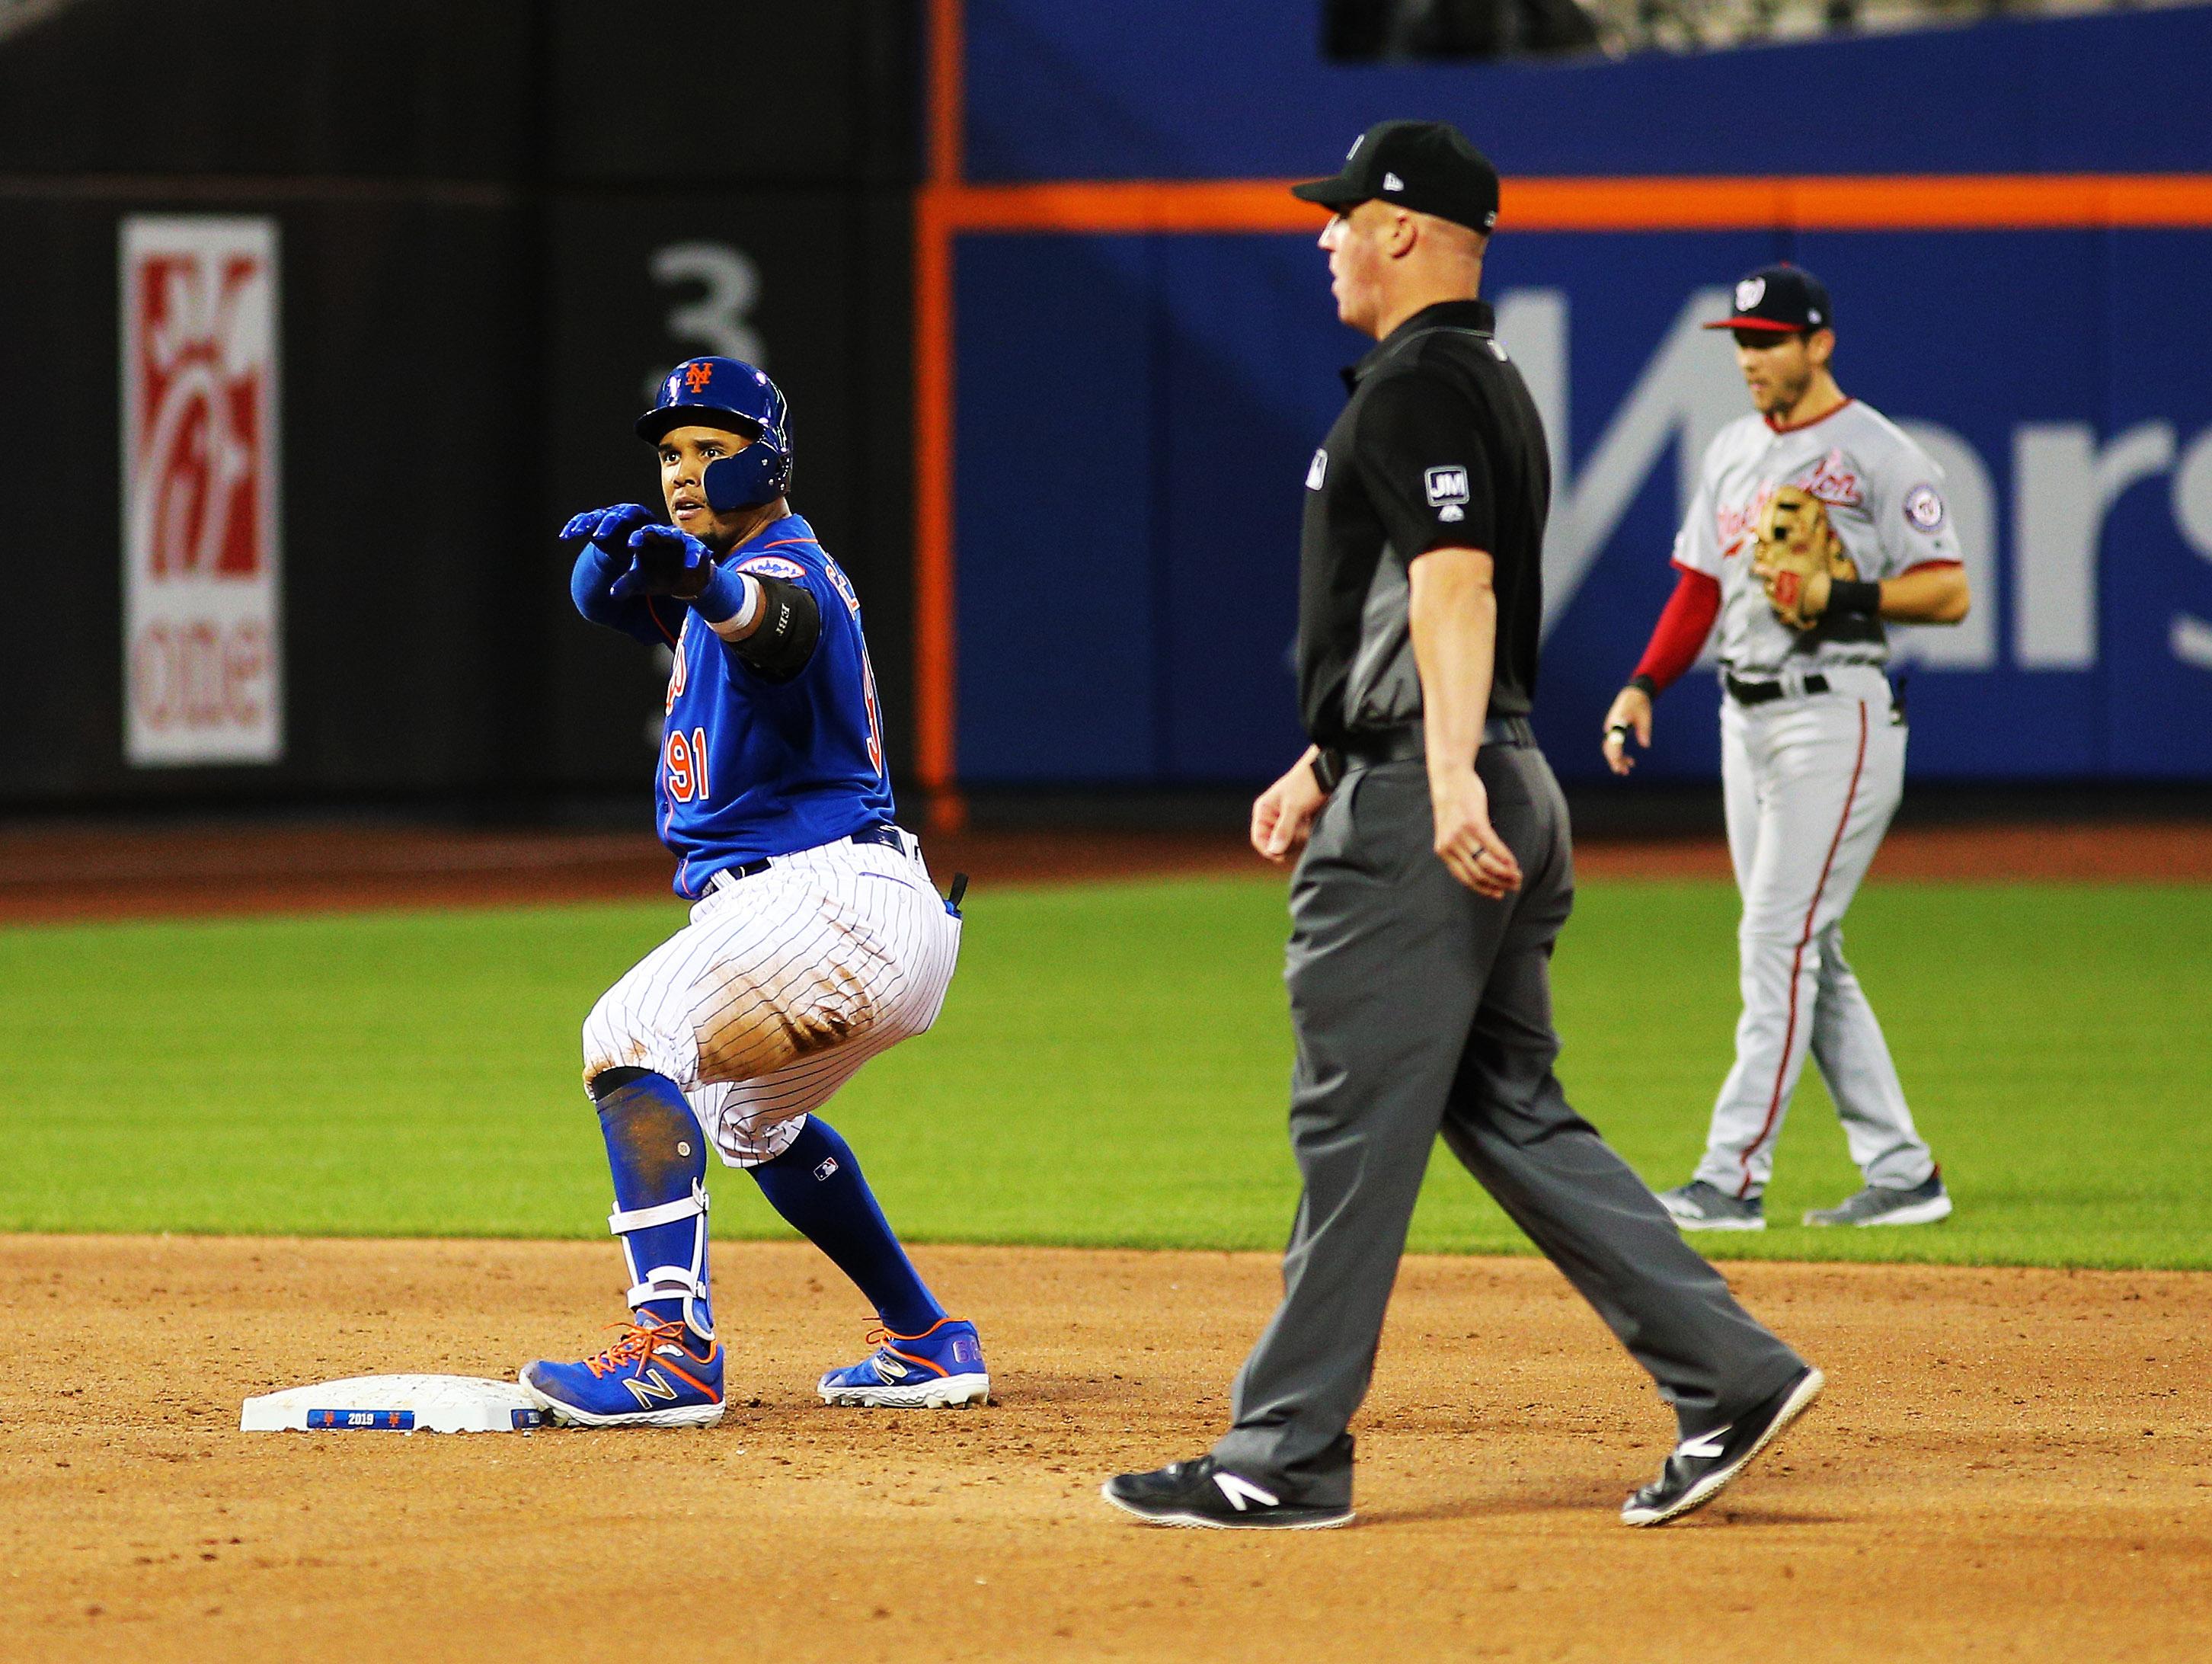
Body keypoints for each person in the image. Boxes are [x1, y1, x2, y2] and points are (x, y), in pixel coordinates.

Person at [1100, 121, 1819, 1531]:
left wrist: (1429, 780)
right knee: (1508, 1107)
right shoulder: (1479, 383)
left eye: (1342, 214)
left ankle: (1282, 1447)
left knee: (1347, 1124)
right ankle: (1727, 1371)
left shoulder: (1419, 389)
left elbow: (1453, 590)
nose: (1322, 236)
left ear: (1407, 230)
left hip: (1432, 801)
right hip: (1472, 767)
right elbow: (1413, 608)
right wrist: (1326, 754)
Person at [518, 357, 986, 1426]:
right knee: (748, 1126)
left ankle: (672, 1352)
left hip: (831, 902)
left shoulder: (790, 574)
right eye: (670, 454)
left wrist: (703, 589)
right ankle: (926, 1337)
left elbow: (769, 627)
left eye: (711, 450)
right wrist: (632, 583)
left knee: (630, 1031)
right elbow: (663, 604)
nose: (683, 473)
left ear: (765, 458)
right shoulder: (714, 584)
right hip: (859, 913)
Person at [1600, 264, 1971, 1232]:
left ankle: (1730, 1179)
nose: (1750, 358)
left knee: (1776, 941)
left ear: (1820, 344)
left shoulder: (1881, 454)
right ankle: (1904, 1172)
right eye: (1741, 340)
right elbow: (1697, 585)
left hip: (1834, 714)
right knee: (1808, 947)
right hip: (1743, 717)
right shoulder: (1729, 450)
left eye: (1768, 340)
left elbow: (1949, 591)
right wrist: (1645, 684)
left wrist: (1841, 597)